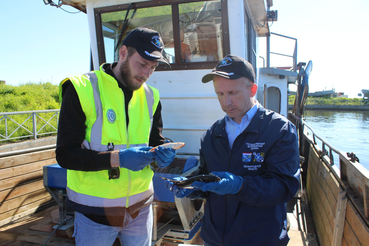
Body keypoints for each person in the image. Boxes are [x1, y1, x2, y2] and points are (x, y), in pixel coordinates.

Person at [56, 27, 177, 246]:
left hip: (141, 209)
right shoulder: (81, 88)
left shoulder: (152, 96)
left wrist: (163, 150)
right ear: (123, 53)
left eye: (153, 67)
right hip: (95, 214)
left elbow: (155, 140)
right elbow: (65, 155)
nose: (147, 74)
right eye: (142, 64)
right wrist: (118, 159)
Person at [166, 54, 300, 245]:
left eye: (232, 93)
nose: (226, 102)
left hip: (260, 239)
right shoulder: (212, 134)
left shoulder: (279, 130)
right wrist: (190, 186)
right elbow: (206, 175)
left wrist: (240, 185)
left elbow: (285, 187)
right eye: (220, 94)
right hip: (214, 238)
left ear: (252, 89)